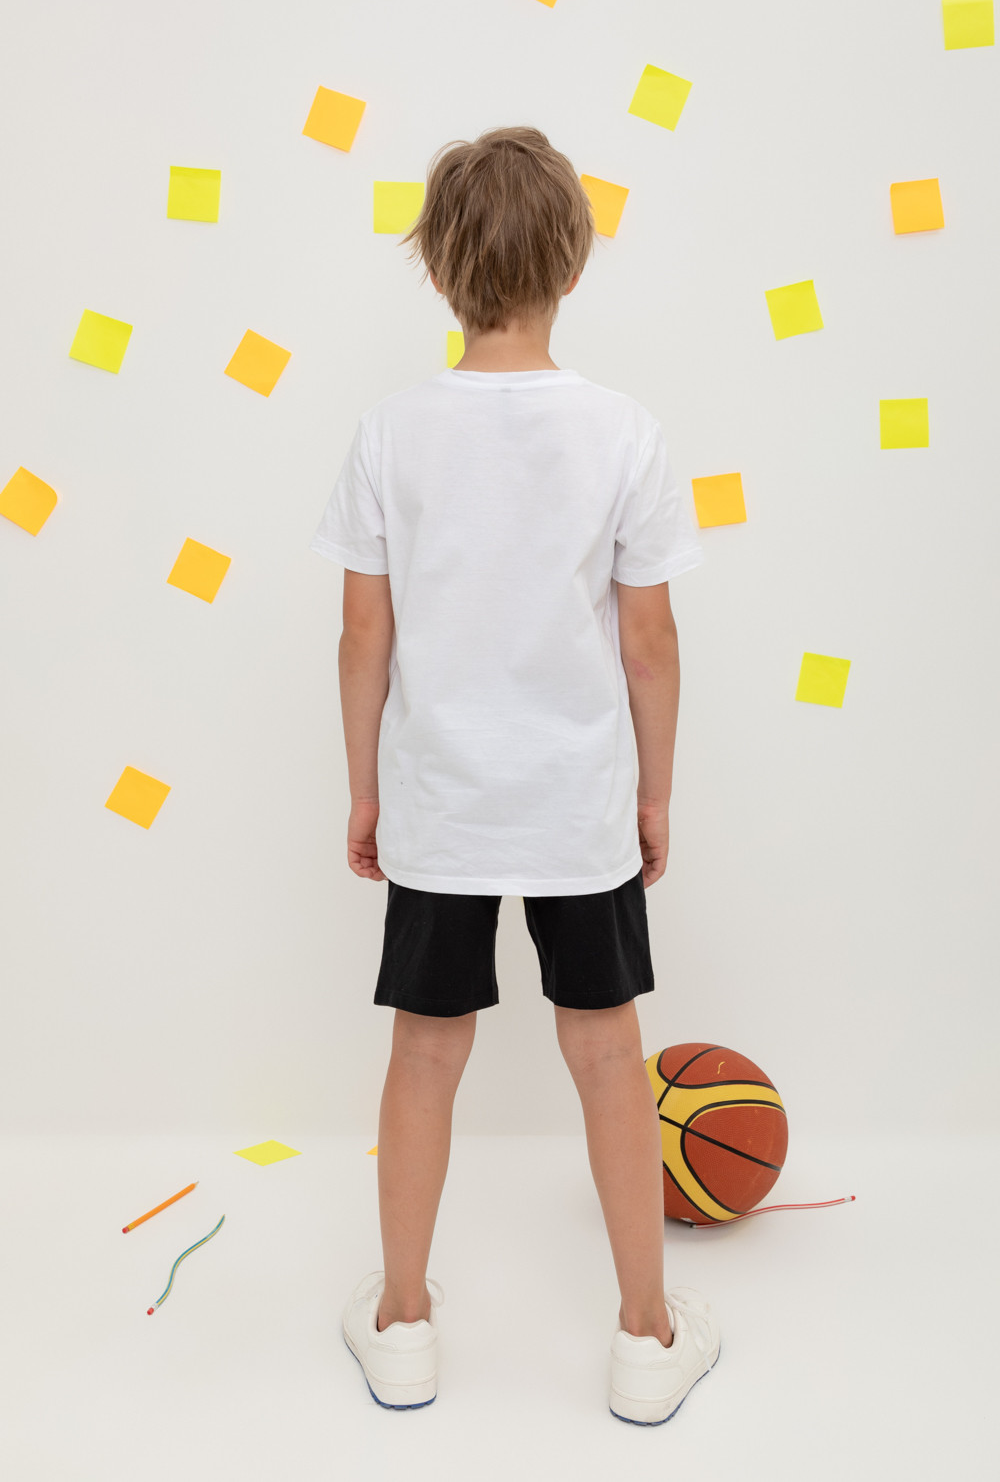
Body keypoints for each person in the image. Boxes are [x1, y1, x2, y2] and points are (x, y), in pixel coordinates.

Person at [313, 126, 720, 1424]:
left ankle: (403, 1322)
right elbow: (651, 643)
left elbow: (362, 635)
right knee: (608, 1054)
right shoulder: (625, 433)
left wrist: (366, 789)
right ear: (575, 266)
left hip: (440, 802)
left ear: (438, 271)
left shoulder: (390, 433)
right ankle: (647, 1336)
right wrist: (654, 793)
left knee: (425, 1055)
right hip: (577, 804)